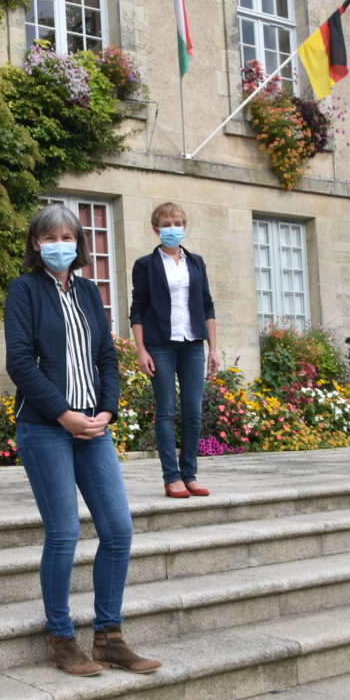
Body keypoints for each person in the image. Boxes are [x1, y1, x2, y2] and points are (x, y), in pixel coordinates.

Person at [4, 204, 162, 677]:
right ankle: (60, 638)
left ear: (78, 243)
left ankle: (109, 638)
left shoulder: (90, 292)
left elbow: (106, 357)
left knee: (118, 530)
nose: (60, 245)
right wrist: (64, 414)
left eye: (68, 237)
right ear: (36, 244)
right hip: (44, 427)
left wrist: (106, 410)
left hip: (94, 428)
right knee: (64, 534)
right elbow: (20, 362)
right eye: (50, 237)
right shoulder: (25, 289)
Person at [129, 202, 220, 499]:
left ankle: (189, 474)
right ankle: (172, 477)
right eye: (167, 224)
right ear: (156, 229)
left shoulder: (196, 262)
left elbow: (207, 306)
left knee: (193, 411)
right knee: (166, 410)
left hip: (192, 344)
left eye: (177, 223)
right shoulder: (145, 265)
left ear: (184, 226)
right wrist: (141, 350)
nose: (173, 228)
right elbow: (137, 310)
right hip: (160, 345)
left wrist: (213, 349)